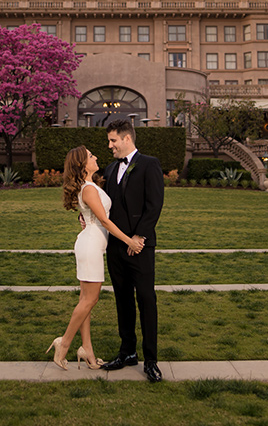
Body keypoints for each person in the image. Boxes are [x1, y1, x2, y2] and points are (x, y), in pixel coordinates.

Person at [47, 145, 145, 370]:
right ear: (82, 164)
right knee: (90, 300)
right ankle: (64, 343)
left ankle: (87, 350)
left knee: (86, 301)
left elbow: (94, 216)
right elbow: (105, 221)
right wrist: (129, 241)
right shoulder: (89, 189)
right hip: (90, 245)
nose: (96, 157)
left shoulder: (89, 186)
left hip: (89, 242)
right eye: (91, 156)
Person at [100, 119, 165, 382]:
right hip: (115, 247)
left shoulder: (150, 164)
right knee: (122, 299)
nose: (110, 146)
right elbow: (104, 205)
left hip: (140, 247)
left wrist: (138, 237)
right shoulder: (110, 167)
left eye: (113, 140)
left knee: (146, 301)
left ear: (127, 139)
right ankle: (127, 351)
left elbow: (154, 205)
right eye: (109, 141)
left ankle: (151, 360)